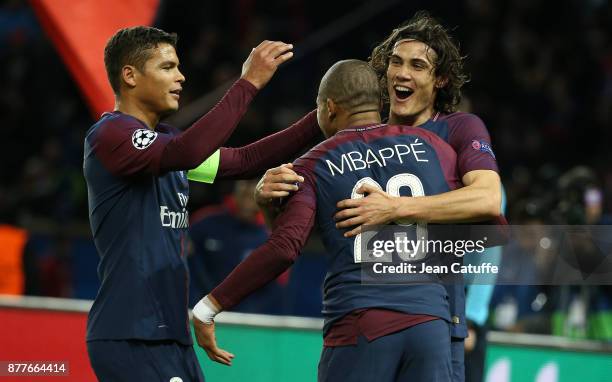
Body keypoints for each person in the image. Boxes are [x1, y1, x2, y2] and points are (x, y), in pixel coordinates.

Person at [256, 12, 504, 382]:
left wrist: (395, 207)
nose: (402, 73)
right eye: (395, 62)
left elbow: (487, 198)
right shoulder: (359, 135)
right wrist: (267, 200)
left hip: (438, 319)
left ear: (440, 80)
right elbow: (294, 238)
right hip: (361, 319)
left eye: (417, 66)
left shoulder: (459, 127)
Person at [193, 59, 462, 381]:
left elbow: (285, 247)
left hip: (362, 323)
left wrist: (209, 307)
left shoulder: (314, 164)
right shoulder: (436, 148)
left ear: (330, 108)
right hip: (432, 324)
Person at [83, 26, 322, 381]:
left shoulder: (166, 143)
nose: (180, 77)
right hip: (131, 332)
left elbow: (244, 161)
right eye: (167, 67)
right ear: (129, 75)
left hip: (170, 335)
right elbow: (190, 151)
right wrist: (248, 83)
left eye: (178, 67)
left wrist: (320, 119)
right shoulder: (111, 135)